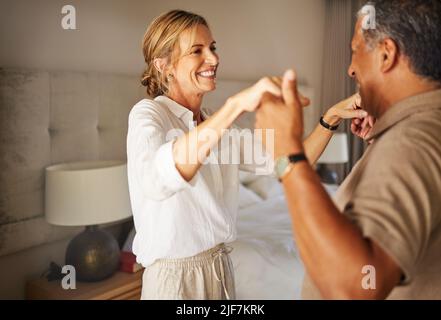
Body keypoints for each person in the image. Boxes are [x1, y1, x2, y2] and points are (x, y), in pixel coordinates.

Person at [127, 9, 366, 300]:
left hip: (220, 271)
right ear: (164, 65)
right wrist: (236, 105)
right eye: (197, 51)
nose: (214, 59)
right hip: (175, 282)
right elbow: (158, 178)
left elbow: (285, 160)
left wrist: (331, 117)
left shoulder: (215, 123)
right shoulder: (149, 114)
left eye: (213, 48)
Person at [255, 0, 441, 299]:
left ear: (386, 54)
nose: (351, 69)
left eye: (356, 50)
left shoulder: (412, 141)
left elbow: (359, 286)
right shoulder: (422, 130)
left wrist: (287, 150)